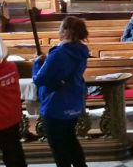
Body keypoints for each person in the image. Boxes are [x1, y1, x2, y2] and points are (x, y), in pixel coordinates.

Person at [32, 16, 90, 167]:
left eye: (60, 27)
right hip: (73, 102)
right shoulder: (81, 51)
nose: (58, 30)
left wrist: (37, 63)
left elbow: (39, 79)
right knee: (71, 141)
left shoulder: (58, 53)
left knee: (59, 148)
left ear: (66, 31)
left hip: (55, 105)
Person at [0, 36, 27, 167]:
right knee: (15, 147)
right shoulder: (11, 66)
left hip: (0, 120)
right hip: (13, 115)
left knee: (9, 152)